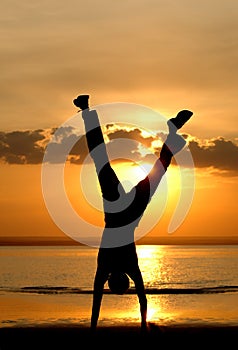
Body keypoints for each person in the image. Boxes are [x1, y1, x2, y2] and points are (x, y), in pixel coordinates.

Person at [73, 94, 193, 333]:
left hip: (127, 211)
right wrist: (97, 328)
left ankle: (171, 132)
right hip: (120, 208)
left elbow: (138, 297)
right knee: (106, 160)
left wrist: (141, 325)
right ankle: (87, 109)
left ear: (118, 279)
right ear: (114, 280)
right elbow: (110, 298)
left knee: (155, 170)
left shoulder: (123, 266)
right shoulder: (112, 266)